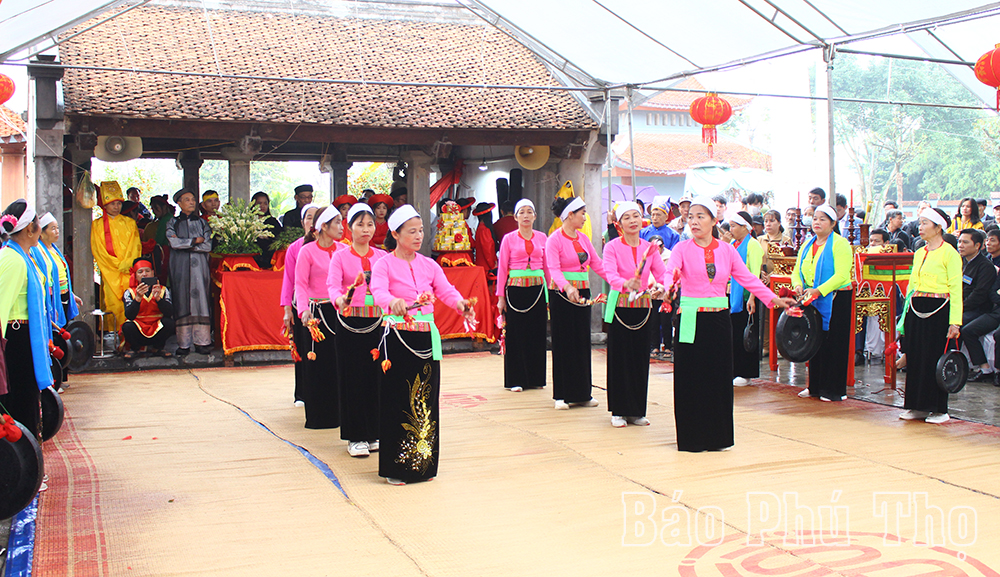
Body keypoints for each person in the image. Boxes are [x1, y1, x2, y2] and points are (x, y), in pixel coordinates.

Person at [665, 197, 791, 452]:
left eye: (701, 216)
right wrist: (667, 288)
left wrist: (772, 298)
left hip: (719, 319)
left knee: (718, 376)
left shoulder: (727, 250)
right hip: (690, 316)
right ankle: (692, 437)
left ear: (714, 220)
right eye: (691, 217)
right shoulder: (682, 249)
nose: (694, 221)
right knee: (690, 377)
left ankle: (717, 436)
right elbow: (671, 273)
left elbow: (748, 279)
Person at [370, 204, 475, 485]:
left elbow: (446, 290)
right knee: (398, 398)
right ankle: (397, 468)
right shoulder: (383, 264)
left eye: (421, 230)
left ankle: (424, 465)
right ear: (395, 233)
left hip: (425, 336)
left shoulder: (429, 264)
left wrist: (460, 304)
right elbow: (378, 291)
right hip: (398, 336)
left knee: (425, 399)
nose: (419, 236)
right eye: (412, 231)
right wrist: (392, 302)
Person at [328, 203, 386, 457]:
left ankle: (374, 431)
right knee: (353, 378)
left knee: (377, 377)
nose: (365, 229)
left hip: (378, 324)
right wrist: (339, 300)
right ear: (349, 227)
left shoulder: (382, 256)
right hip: (350, 325)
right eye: (360, 224)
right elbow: (332, 287)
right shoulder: (340, 256)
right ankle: (355, 436)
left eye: (370, 224)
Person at [602, 201, 667, 428]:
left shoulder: (650, 248)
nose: (632, 221)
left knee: (640, 357)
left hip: (643, 309)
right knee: (619, 358)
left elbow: (662, 274)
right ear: (619, 223)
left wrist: (663, 287)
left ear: (642, 220)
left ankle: (637, 410)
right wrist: (625, 284)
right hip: (620, 307)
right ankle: (618, 410)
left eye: (636, 216)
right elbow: (610, 275)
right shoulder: (611, 247)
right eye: (627, 217)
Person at [545, 196, 611, 410]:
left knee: (582, 342)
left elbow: (597, 265)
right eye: (582, 213)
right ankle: (561, 395)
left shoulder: (583, 238)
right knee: (564, 342)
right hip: (563, 295)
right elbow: (554, 269)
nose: (585, 217)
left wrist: (617, 281)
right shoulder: (554, 239)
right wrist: (568, 287)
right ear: (570, 215)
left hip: (582, 293)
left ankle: (583, 393)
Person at [898, 207, 962, 424]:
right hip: (916, 307)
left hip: (939, 308)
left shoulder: (950, 254)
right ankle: (916, 405)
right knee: (915, 357)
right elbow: (911, 287)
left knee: (934, 358)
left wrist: (955, 322)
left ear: (938, 227)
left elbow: (956, 289)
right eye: (920, 222)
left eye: (925, 223)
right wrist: (904, 316)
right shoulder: (919, 252)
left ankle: (939, 409)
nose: (920, 227)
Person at [0, 199, 54, 440]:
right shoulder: (13, 261)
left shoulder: (23, 256)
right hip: (16, 338)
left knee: (28, 397)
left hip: (24, 335)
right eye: (38, 225)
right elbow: (2, 306)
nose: (41, 230)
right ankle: (26, 468)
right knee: (22, 399)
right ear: (30, 229)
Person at [791, 205, 854, 402]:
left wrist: (819, 290)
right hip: (812, 297)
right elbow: (797, 269)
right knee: (814, 340)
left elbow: (842, 274)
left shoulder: (840, 244)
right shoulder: (808, 244)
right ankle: (815, 386)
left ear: (833, 223)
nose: (816, 222)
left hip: (835, 297)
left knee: (834, 343)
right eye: (815, 218)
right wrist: (798, 285)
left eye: (822, 219)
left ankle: (833, 389)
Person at [295, 206, 344, 430]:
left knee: (338, 363)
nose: (342, 228)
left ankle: (340, 414)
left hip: (340, 312)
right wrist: (303, 310)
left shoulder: (344, 251)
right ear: (323, 226)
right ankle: (318, 417)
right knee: (317, 365)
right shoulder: (307, 251)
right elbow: (301, 284)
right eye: (337, 223)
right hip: (315, 314)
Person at [496, 199, 548, 392]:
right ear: (515, 216)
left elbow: (547, 266)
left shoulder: (543, 237)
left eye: (529, 212)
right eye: (522, 212)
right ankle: (516, 379)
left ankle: (535, 378)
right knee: (516, 334)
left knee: (537, 333)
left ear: (535, 216)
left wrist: (551, 292)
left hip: (538, 290)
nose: (526, 216)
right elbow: (502, 269)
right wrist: (501, 297)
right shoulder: (508, 239)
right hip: (516, 291)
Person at [280, 203, 320, 407]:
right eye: (309, 218)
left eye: (317, 217)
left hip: (326, 305)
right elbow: (289, 280)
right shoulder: (295, 248)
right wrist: (288, 309)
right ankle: (302, 393)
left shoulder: (333, 246)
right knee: (303, 349)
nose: (312, 222)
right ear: (303, 222)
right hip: (302, 305)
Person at [167, 189, 213, 356]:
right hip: (180, 267)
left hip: (200, 267)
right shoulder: (173, 222)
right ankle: (184, 343)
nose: (191, 202)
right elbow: (173, 242)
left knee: (201, 300)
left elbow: (208, 245)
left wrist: (185, 245)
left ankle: (202, 342)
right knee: (182, 300)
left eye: (193, 199)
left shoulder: (202, 223)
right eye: (187, 200)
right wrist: (195, 241)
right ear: (179, 203)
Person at [91, 181, 141, 332]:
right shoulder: (97, 225)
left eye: (119, 203)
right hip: (110, 273)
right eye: (112, 204)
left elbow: (135, 246)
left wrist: (127, 263)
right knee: (113, 303)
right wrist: (115, 265)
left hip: (128, 271)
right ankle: (116, 338)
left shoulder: (130, 223)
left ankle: (130, 338)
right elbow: (98, 250)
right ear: (104, 205)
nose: (116, 207)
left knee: (130, 302)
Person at [728, 211, 765, 386]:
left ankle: (746, 372)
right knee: (734, 333)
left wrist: (752, 297)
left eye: (734, 226)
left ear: (745, 227)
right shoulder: (732, 244)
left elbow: (755, 273)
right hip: (732, 295)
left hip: (747, 295)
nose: (731, 229)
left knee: (747, 333)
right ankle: (735, 369)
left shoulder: (753, 245)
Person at [955, 229, 996, 382]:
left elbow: (979, 295)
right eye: (959, 242)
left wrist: (960, 308)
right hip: (962, 305)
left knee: (960, 325)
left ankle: (982, 368)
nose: (961, 246)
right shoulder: (961, 262)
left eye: (965, 242)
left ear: (978, 245)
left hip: (979, 309)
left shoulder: (985, 266)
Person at [121, 258, 174, 359]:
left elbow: (169, 312)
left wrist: (158, 298)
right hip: (139, 325)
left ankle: (158, 347)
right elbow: (129, 315)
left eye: (147, 271)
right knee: (127, 326)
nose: (144, 274)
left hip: (156, 325)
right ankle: (135, 348)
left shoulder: (162, 290)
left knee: (169, 323)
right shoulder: (130, 292)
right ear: (135, 275)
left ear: (153, 273)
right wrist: (137, 298)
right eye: (140, 272)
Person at [37, 213, 81, 327]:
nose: (57, 232)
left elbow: (62, 275)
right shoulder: (38, 251)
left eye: (57, 228)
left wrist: (71, 294)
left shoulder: (54, 249)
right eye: (53, 229)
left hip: (64, 295)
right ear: (41, 233)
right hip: (52, 297)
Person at [251, 191, 283, 268]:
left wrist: (268, 237)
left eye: (265, 203)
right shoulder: (248, 221)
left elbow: (280, 237)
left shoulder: (273, 221)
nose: (262, 206)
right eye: (259, 203)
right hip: (252, 257)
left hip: (269, 258)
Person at [472, 202, 497, 272]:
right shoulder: (485, 230)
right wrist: (492, 264)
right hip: (486, 268)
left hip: (482, 265)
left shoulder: (480, 228)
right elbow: (488, 250)